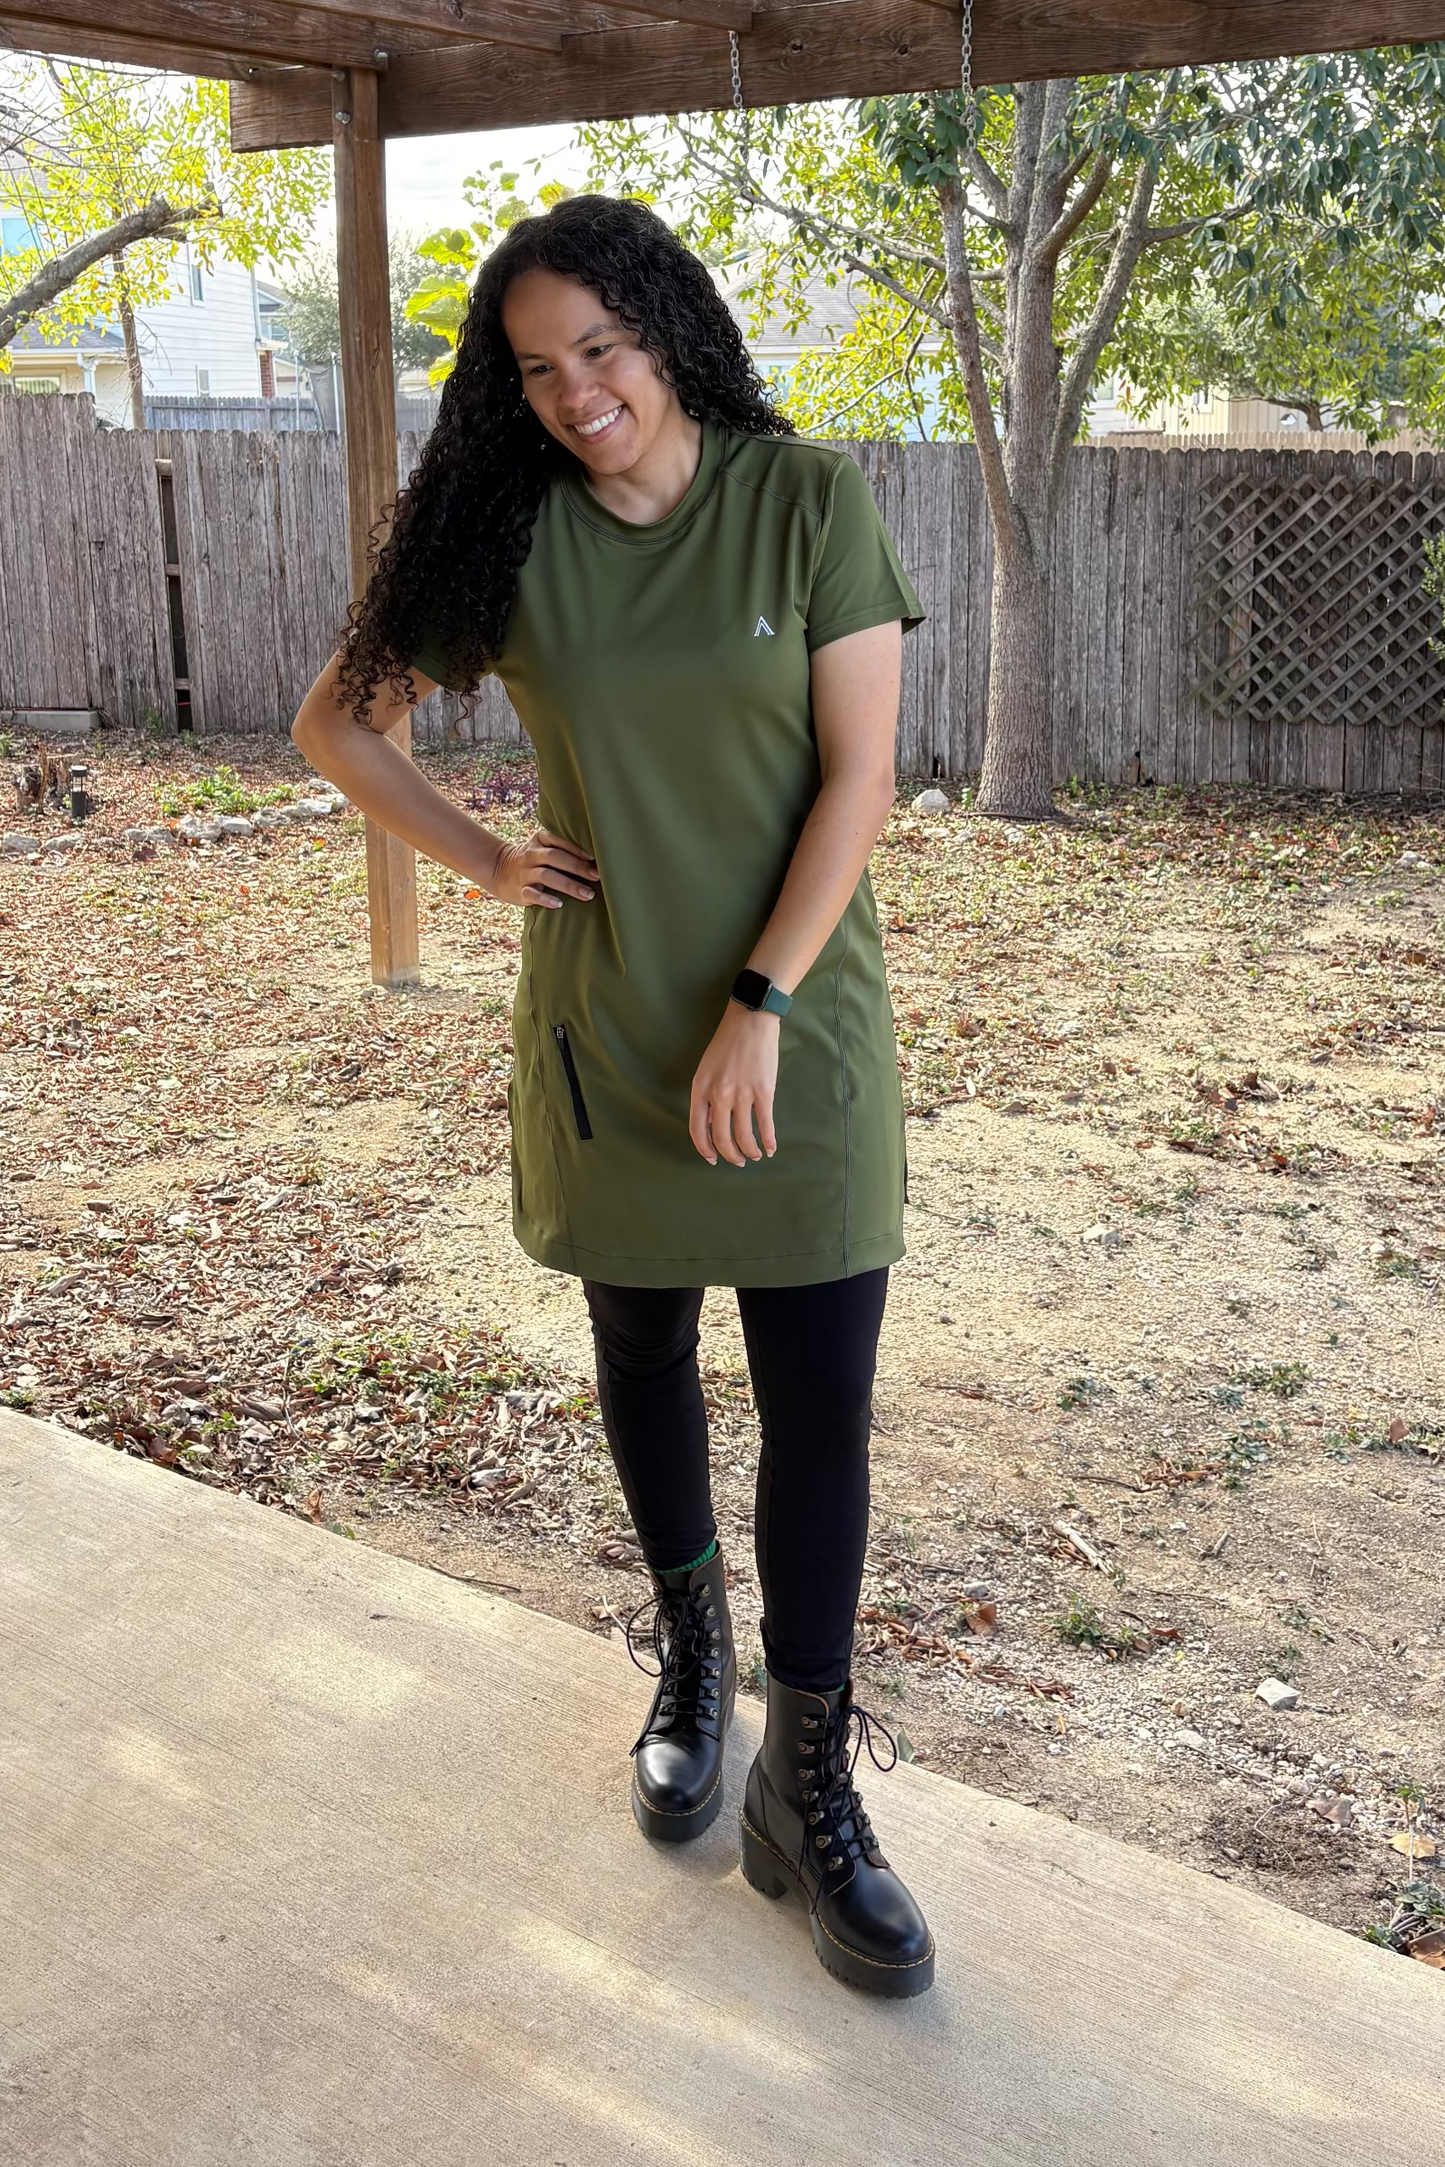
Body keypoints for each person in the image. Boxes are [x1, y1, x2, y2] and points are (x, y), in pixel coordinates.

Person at [292, 194, 933, 1998]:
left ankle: (808, 1790)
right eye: (539, 368)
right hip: (602, 1034)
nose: (579, 392)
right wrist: (487, 859)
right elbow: (334, 725)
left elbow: (862, 778)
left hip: (790, 1032)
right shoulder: (506, 541)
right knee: (644, 1352)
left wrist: (758, 1002)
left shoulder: (803, 501)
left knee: (823, 1405)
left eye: (605, 345)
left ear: (668, 326)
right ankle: (693, 1654)